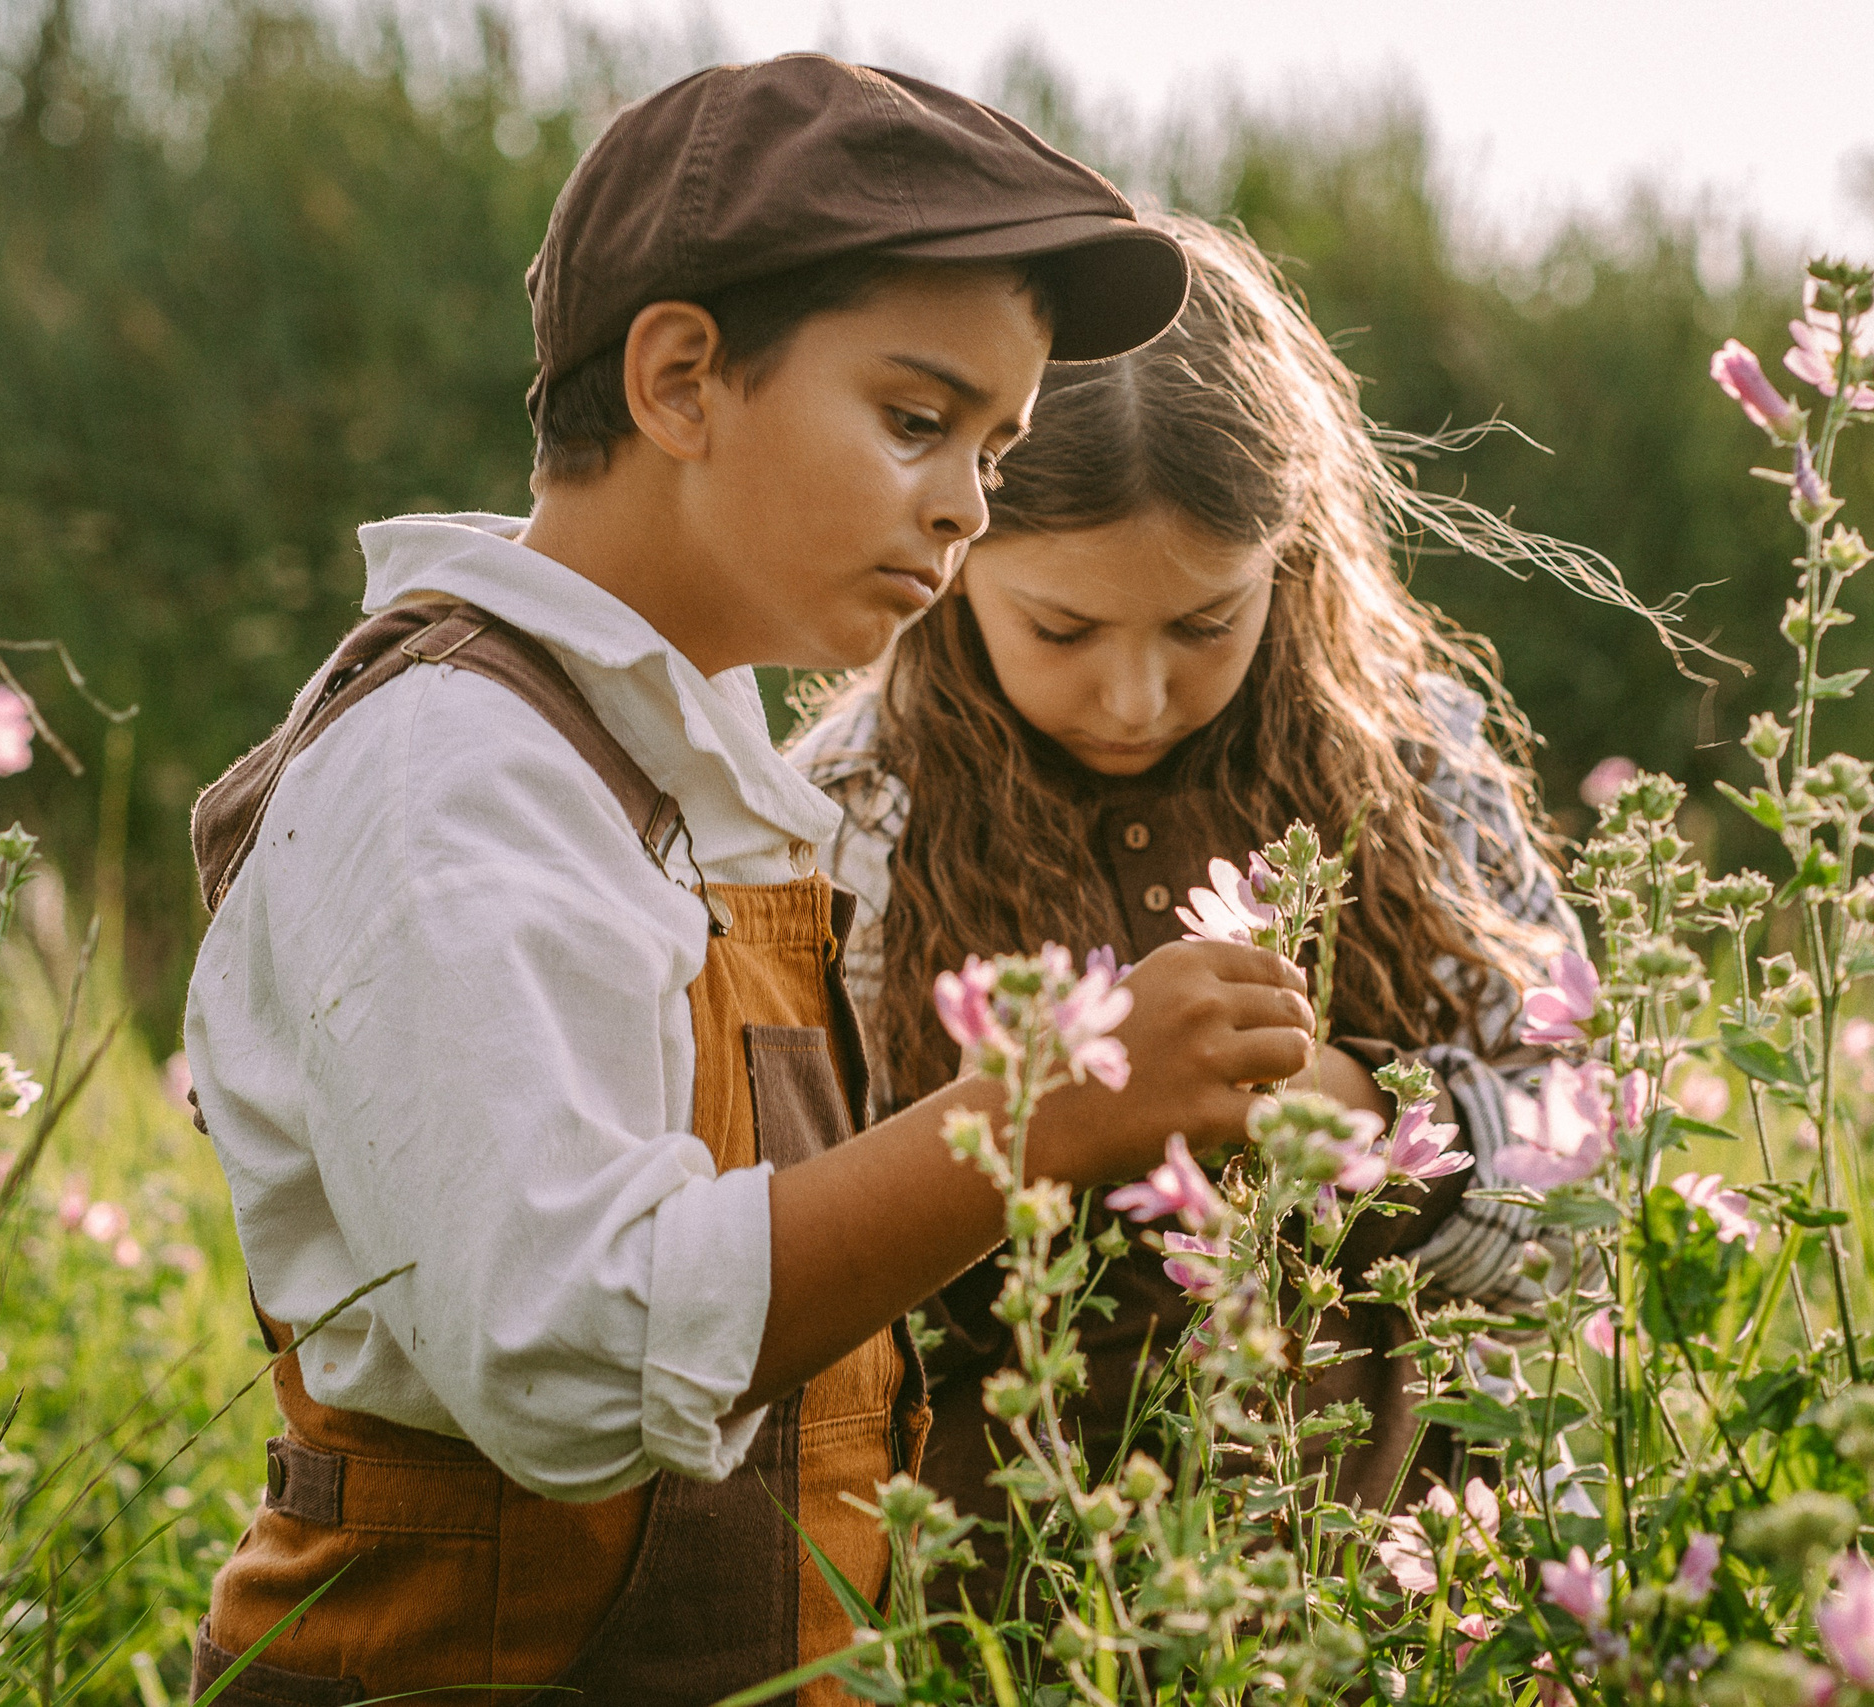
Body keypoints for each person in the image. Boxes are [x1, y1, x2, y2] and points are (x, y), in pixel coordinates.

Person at [182, 61, 1317, 1707]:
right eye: (919, 420)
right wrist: (1038, 1111)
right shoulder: (454, 776)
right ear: (681, 378)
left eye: (996, 446)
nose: (967, 504)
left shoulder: (680, 758)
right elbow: (572, 1356)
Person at [786, 214, 1585, 1568]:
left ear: (1292, 563)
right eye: (1063, 629)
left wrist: (1366, 1119)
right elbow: (774, 1269)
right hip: (997, 1597)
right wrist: (1035, 1134)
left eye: (1207, 623)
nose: (1136, 695)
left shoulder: (1410, 763)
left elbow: (1592, 1189)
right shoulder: (842, 813)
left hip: (1404, 1588)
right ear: (952, 553)